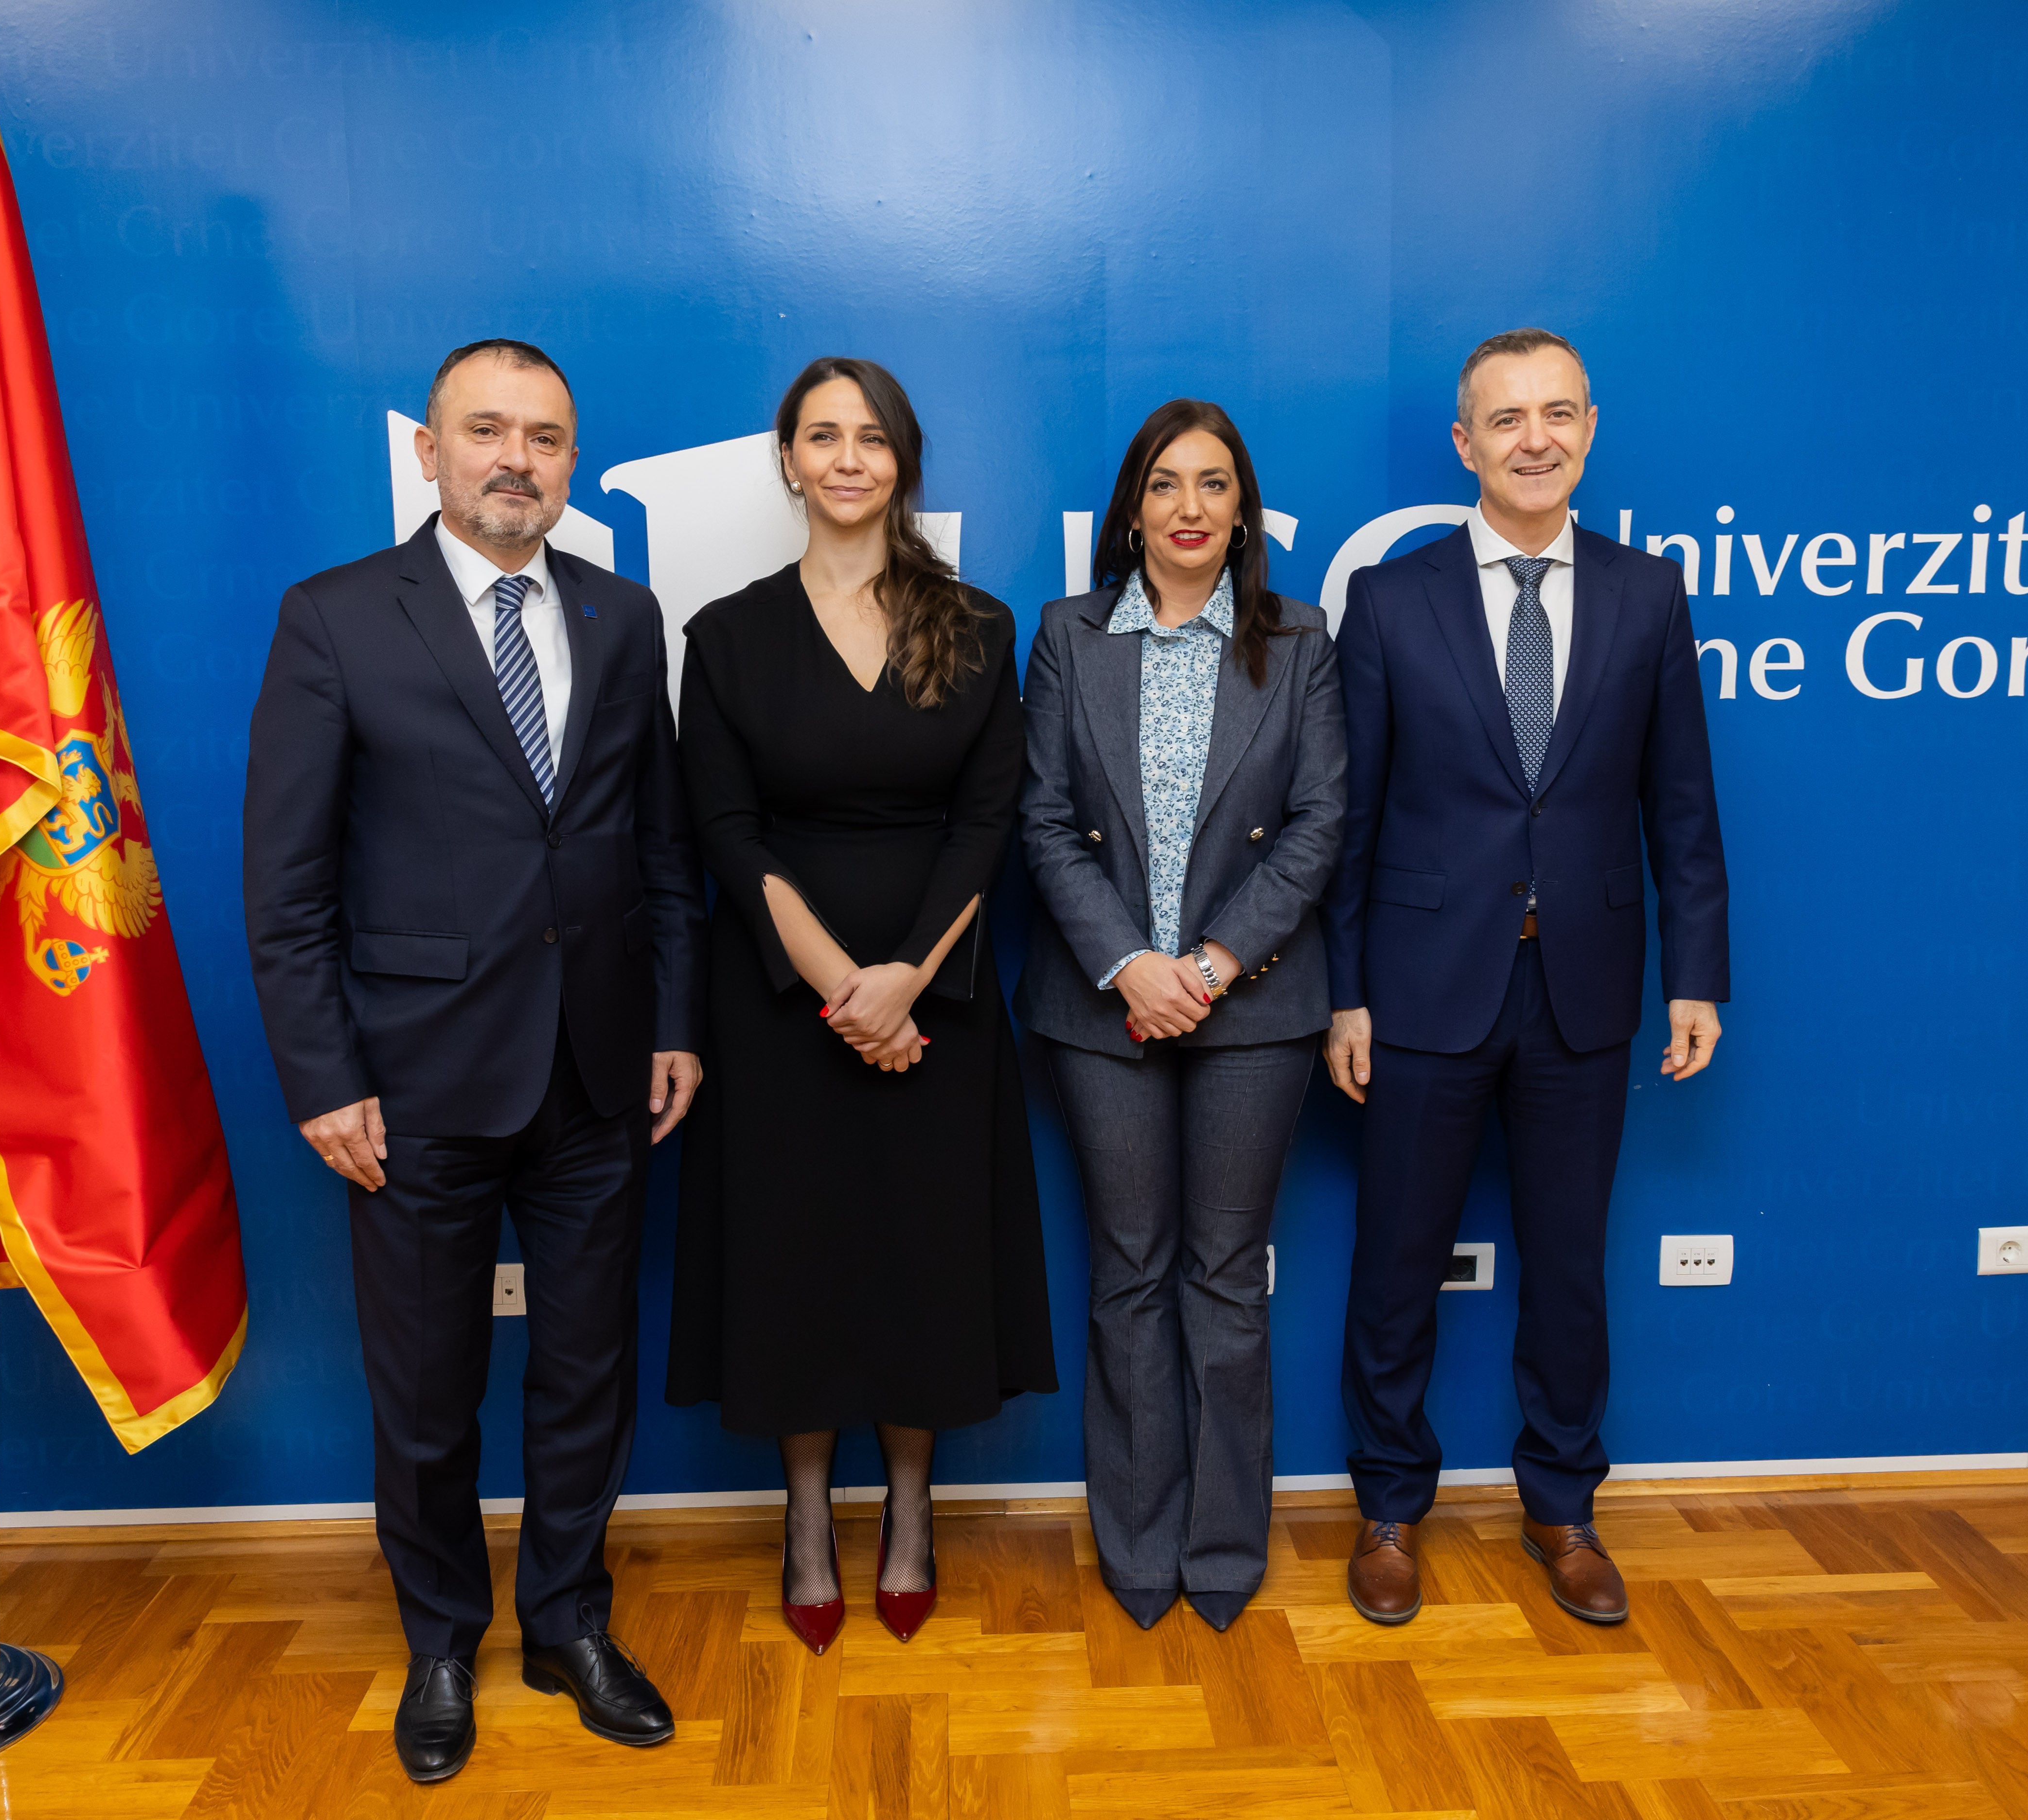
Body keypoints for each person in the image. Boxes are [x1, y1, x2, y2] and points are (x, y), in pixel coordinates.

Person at [244, 339, 704, 1781]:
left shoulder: (624, 617)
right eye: (487, 431)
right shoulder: (333, 618)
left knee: (586, 1375)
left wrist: (675, 1021)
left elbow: (661, 847)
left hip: (598, 1074)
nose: (517, 459)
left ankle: (567, 1623)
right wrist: (323, 1077)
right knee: (428, 1390)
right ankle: (440, 1641)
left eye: (545, 438)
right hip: (413, 1086)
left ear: (571, 462)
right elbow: (285, 884)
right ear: (429, 453)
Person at [1323, 329, 1728, 1629]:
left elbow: (1680, 805)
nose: (1533, 439)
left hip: (1585, 991)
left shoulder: (1646, 594)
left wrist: (1695, 976)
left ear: (1589, 429)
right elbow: (1349, 820)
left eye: (1556, 413)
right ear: (1464, 445)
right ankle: (1389, 1507)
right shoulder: (1390, 600)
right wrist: (1344, 992)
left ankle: (1560, 1506)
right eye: (1505, 419)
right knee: (1395, 1264)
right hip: (1418, 988)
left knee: (1566, 1268)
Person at [666, 356, 1055, 1655]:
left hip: (934, 997)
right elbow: (724, 830)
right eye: (822, 436)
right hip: (781, 1000)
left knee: (920, 1257)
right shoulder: (725, 635)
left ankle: (908, 1509)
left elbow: (986, 821)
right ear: (787, 460)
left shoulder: (976, 623)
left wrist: (901, 983)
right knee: (795, 1257)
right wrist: (840, 985)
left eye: (870, 438)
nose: (846, 458)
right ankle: (801, 1515)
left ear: (902, 463)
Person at [1017, 399, 1344, 1632]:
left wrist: (1205, 966)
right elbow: (1042, 820)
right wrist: (1128, 965)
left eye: (1213, 484)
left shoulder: (1298, 638)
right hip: (1103, 1009)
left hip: (1250, 1007)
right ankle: (1138, 1545)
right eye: (1165, 484)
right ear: (1132, 510)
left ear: (1242, 511)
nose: (1189, 507)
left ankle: (1221, 1549)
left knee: (1224, 1278)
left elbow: (1317, 822)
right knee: (1128, 1275)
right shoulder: (1068, 635)